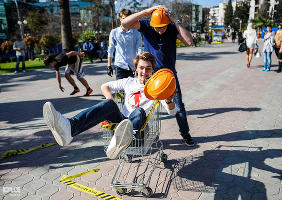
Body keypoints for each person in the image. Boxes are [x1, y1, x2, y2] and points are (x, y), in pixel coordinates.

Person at [42, 52, 176, 159]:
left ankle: (124, 139)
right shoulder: (129, 82)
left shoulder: (157, 89)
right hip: (121, 125)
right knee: (109, 104)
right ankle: (69, 128)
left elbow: (172, 113)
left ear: (153, 70)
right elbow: (104, 86)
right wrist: (110, 99)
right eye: (141, 68)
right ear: (136, 68)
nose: (144, 72)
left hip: (139, 131)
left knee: (139, 111)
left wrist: (169, 101)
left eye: (148, 69)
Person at [121, 5, 195, 146]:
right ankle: (142, 134)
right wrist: (146, 12)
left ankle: (185, 134)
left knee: (178, 106)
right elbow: (124, 23)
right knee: (143, 106)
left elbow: (189, 41)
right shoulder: (147, 25)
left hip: (168, 77)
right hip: (149, 75)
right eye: (157, 28)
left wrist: (173, 19)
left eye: (163, 27)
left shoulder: (172, 27)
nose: (160, 31)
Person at [107, 9, 143, 79]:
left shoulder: (136, 33)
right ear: (120, 19)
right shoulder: (114, 32)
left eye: (128, 19)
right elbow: (111, 49)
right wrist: (109, 65)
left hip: (132, 66)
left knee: (131, 89)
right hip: (120, 65)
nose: (126, 21)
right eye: (124, 19)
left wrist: (139, 65)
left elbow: (139, 49)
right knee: (120, 89)